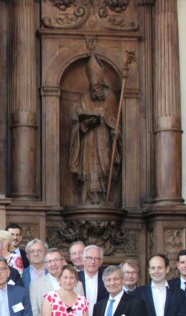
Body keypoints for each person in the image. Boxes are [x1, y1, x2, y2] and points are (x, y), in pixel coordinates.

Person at [69, 55, 121, 205]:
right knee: (89, 170)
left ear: (101, 81)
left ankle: (104, 199)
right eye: (92, 87)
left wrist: (115, 132)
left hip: (104, 138)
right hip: (88, 140)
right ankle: (89, 200)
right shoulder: (84, 98)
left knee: (104, 167)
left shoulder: (110, 96)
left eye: (97, 87)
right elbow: (75, 121)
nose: (94, 90)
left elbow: (114, 121)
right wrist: (84, 124)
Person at [78, 245, 107, 316]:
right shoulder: (75, 278)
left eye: (96, 258)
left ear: (101, 262)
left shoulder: (107, 279)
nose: (93, 261)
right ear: (83, 261)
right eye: (89, 258)